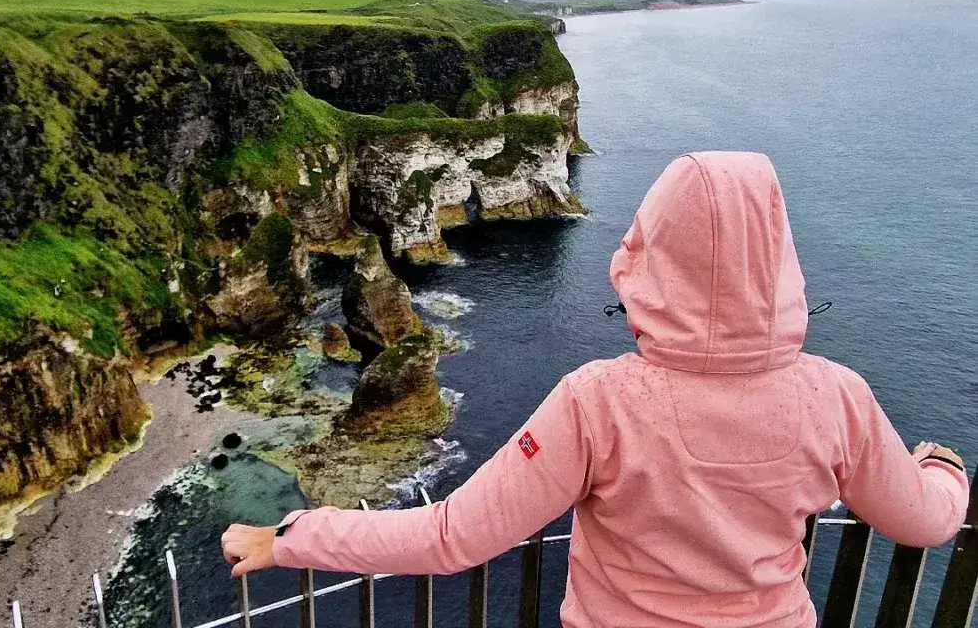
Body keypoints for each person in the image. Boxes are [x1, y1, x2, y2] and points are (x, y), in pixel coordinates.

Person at [221, 151, 970, 628]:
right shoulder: (834, 396)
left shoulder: (599, 400)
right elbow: (924, 524)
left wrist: (294, 537)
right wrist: (940, 468)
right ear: (778, 261)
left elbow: (452, 538)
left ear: (646, 261)